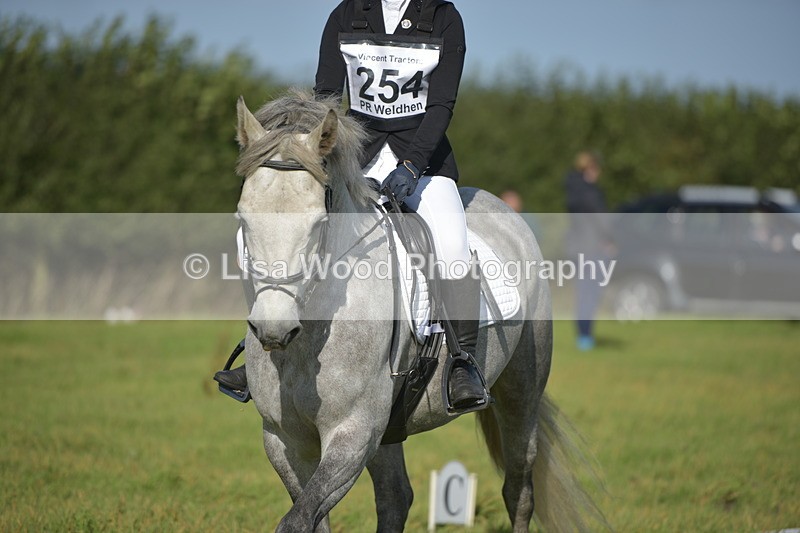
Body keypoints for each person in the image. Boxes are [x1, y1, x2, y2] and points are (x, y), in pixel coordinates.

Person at [215, 0, 487, 411]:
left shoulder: (445, 17)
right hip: (354, 160)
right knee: (291, 233)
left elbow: (440, 107)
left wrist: (412, 166)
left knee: (451, 245)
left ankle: (462, 364)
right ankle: (259, 347)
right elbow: (325, 100)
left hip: (424, 162)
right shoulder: (345, 15)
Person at [564, 151, 614, 351]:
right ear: (591, 169)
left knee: (583, 292)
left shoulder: (572, 191)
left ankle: (583, 334)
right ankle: (585, 335)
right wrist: (611, 240)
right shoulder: (590, 193)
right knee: (591, 293)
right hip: (592, 248)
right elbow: (602, 221)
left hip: (577, 247)